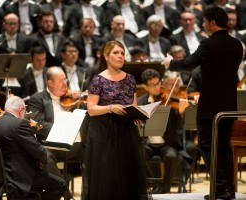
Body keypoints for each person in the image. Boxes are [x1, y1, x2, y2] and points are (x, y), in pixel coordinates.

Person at [162, 7, 244, 200]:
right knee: (224, 146)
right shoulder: (237, 45)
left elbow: (189, 64)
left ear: (213, 23)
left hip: (210, 107)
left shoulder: (208, 44)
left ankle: (219, 189)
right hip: (230, 105)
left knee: (207, 146)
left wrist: (170, 63)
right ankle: (228, 190)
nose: (203, 24)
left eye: (205, 21)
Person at [82, 40, 148, 199]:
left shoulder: (130, 79)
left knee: (127, 173)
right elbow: (91, 109)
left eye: (122, 53)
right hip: (105, 132)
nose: (120, 56)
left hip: (126, 131)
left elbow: (133, 105)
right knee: (108, 175)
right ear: (106, 56)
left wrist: (136, 117)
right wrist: (110, 108)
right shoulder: (98, 79)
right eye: (116, 53)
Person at [0, 96, 67, 199]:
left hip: (3, 174)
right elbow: (40, 153)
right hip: (20, 176)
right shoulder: (20, 124)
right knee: (61, 185)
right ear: (21, 110)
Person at [27, 66, 84, 200]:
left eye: (65, 80)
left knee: (94, 151)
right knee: (45, 156)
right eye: (61, 81)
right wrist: (62, 127)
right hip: (51, 144)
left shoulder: (71, 98)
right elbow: (39, 124)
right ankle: (67, 195)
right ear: (50, 83)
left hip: (74, 143)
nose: (66, 84)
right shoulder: (37, 99)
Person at [138, 69, 192, 194]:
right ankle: (142, 188)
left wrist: (180, 113)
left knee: (172, 156)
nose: (158, 87)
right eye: (153, 85)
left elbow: (178, 126)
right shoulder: (140, 102)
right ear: (146, 87)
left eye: (159, 83)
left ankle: (165, 188)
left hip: (166, 143)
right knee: (137, 154)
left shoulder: (167, 101)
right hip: (147, 142)